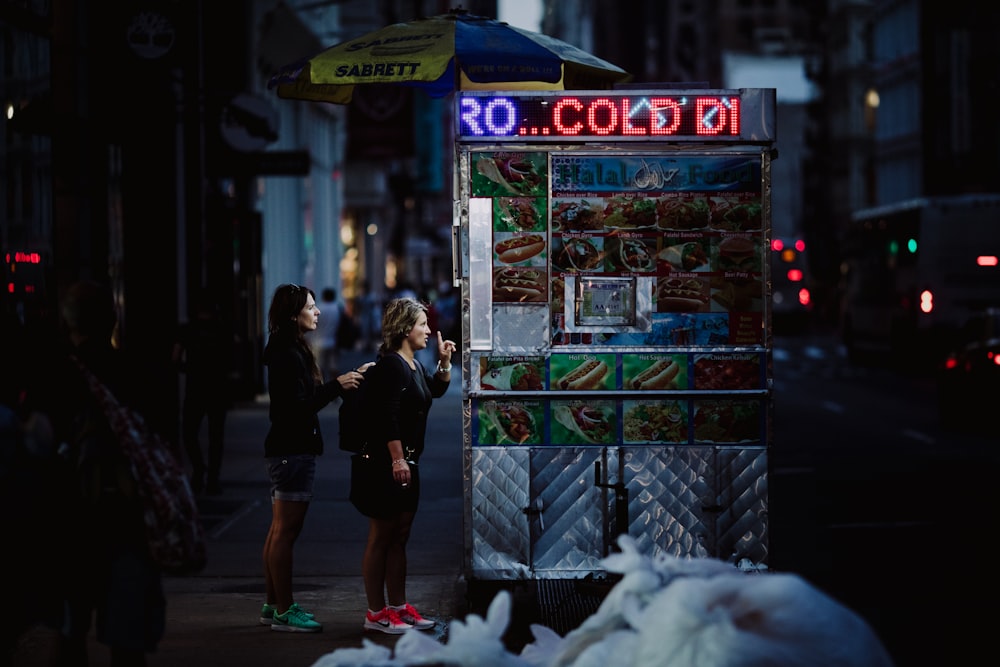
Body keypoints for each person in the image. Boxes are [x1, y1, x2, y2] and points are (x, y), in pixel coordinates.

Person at [45, 280, 166, 666]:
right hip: (126, 515)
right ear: (113, 319)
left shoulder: (57, 376)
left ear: (68, 324)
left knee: (70, 632)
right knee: (127, 639)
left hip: (70, 515)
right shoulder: (133, 371)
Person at [260, 283, 370, 633]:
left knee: (279, 530)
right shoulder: (287, 353)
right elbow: (296, 407)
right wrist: (337, 386)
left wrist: (341, 383)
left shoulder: (287, 348)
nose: (318, 311)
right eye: (310, 307)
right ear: (294, 314)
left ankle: (273, 604)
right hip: (292, 451)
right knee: (285, 532)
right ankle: (285, 609)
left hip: (288, 450)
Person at [353, 297, 456, 634]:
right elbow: (387, 417)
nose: (429, 330)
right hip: (387, 465)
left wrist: (443, 363)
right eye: (422, 324)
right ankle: (376, 613)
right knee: (381, 537)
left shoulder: (412, 365)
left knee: (400, 536)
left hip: (409, 462)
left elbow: (432, 395)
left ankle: (398, 607)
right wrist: (397, 458)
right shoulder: (391, 366)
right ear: (404, 328)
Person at [172, 296, 231, 495]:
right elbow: (231, 358)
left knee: (189, 433)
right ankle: (213, 480)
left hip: (195, 388)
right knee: (216, 437)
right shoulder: (222, 329)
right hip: (217, 389)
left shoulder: (187, 330)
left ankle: (199, 470)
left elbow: (176, 357)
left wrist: (187, 368)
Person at [310, 287, 342, 379]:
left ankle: (323, 388)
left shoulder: (319, 308)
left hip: (318, 342)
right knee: (333, 367)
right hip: (333, 341)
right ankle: (336, 388)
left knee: (319, 368)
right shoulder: (337, 308)